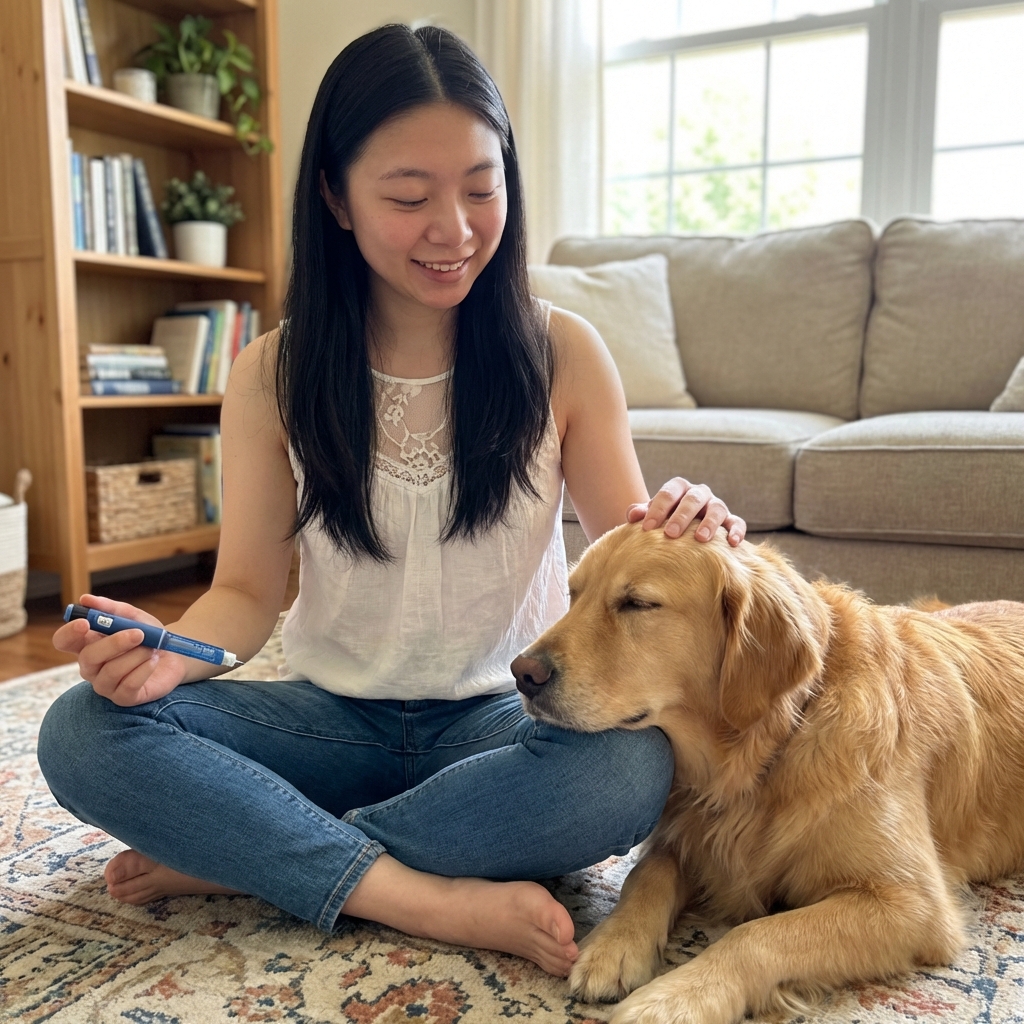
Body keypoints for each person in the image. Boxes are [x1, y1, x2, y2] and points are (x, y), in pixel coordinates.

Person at [38, 24, 746, 978]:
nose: (454, 229)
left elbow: (632, 563)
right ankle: (418, 893)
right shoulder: (270, 374)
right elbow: (245, 594)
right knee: (81, 732)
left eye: (482, 189)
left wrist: (691, 522)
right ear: (335, 195)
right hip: (328, 720)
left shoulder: (563, 353)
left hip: (509, 717)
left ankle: (256, 856)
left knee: (626, 769)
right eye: (410, 197)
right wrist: (173, 655)